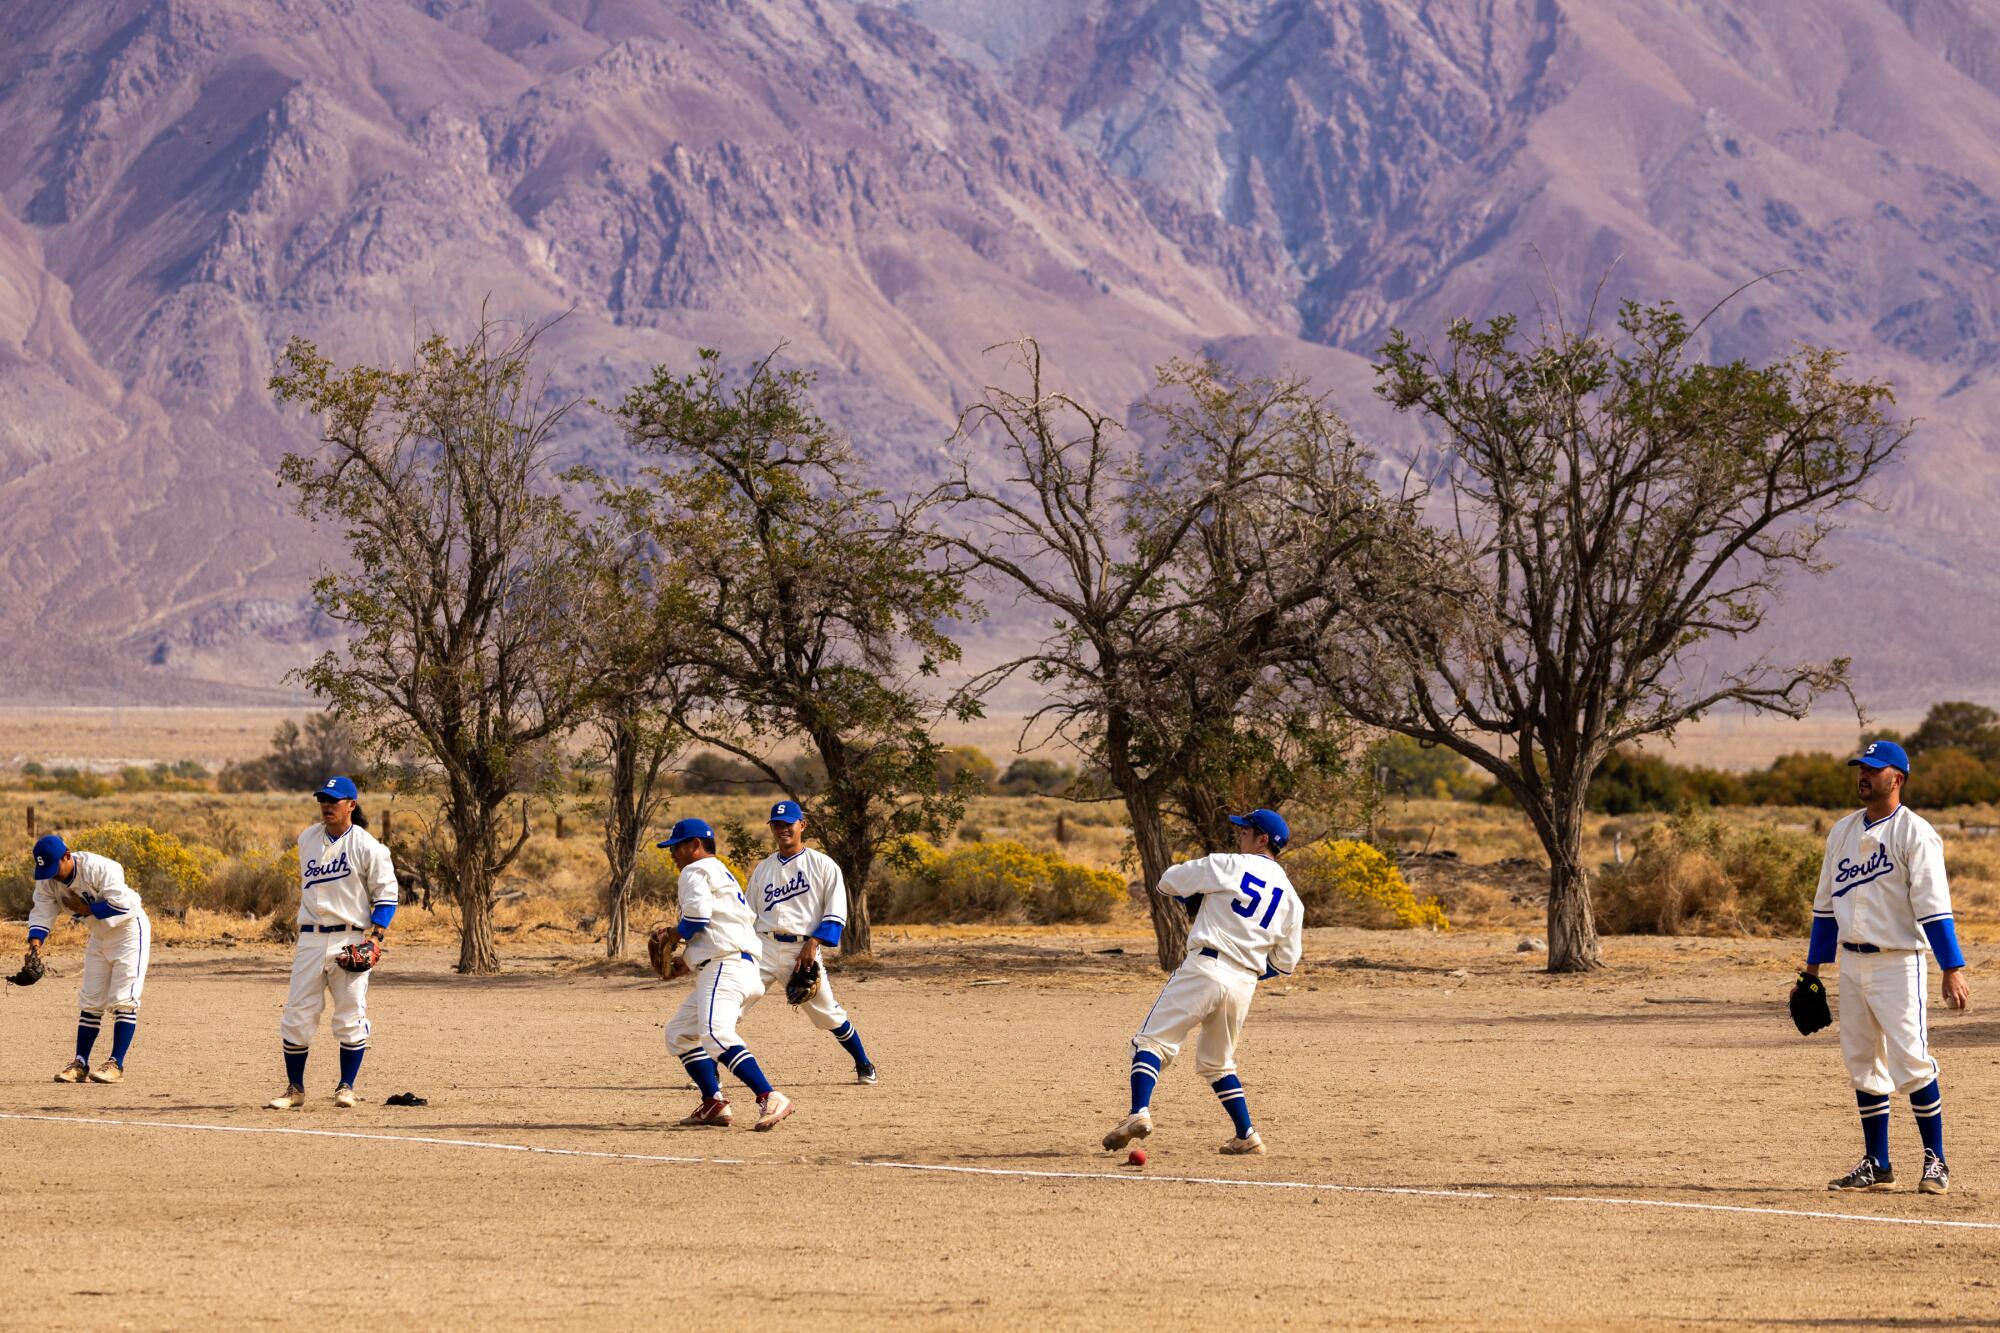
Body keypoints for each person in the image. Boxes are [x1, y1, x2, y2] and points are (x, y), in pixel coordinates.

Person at [1807, 741, 1969, 1195]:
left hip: (1900, 963)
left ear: (1896, 779)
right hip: (1853, 965)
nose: (1863, 775)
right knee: (1862, 1063)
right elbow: (1824, 907)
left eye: (1873, 770)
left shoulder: (1916, 833)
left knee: (1912, 1061)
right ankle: (1877, 1163)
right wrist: (1812, 971)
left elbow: (1935, 909)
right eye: (1861, 767)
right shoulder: (1841, 832)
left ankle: (1935, 1162)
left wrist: (1951, 967)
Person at [1102, 808, 1303, 1157]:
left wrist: (1193, 897)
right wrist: (1249, 969)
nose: (1239, 835)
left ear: (1263, 839)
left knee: (1151, 1042)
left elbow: (1167, 880)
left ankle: (1138, 1113)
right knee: (1217, 1063)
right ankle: (1247, 1135)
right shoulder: (1291, 898)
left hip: (1205, 967)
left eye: (1246, 831)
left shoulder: (1228, 864)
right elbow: (1285, 963)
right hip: (1244, 983)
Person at [266, 776, 399, 1111]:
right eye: (323, 799)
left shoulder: (369, 847)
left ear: (351, 805)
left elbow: (387, 897)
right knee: (297, 1013)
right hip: (310, 938)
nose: (327, 805)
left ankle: (346, 1087)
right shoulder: (307, 839)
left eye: (334, 800)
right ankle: (295, 1089)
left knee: (350, 1014)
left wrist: (375, 938)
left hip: (349, 937)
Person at [658, 817, 794, 1131]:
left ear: (695, 845)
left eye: (676, 847)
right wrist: (688, 960)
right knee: (679, 1032)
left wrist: (673, 935)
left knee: (715, 1035)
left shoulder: (694, 870)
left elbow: (697, 916)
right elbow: (719, 925)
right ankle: (714, 1103)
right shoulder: (721, 872)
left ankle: (769, 1096)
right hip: (737, 967)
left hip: (726, 967)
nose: (672, 854)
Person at [742, 800, 877, 1083]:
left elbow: (836, 911)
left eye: (788, 824)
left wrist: (814, 943)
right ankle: (711, 1072)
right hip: (763, 947)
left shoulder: (823, 865)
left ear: (802, 825)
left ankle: (864, 1063)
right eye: (776, 825)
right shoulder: (763, 869)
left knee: (827, 1014)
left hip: (802, 949)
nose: (782, 830)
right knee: (732, 1003)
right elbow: (748, 914)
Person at [28, 834, 151, 1084]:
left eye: (54, 868)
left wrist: (86, 910)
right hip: (98, 934)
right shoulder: (49, 880)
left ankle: (116, 1064)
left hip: (129, 931)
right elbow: (42, 911)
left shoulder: (100, 868)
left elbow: (124, 905)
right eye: (46, 870)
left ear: (67, 855)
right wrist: (35, 945)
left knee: (124, 998)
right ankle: (80, 1063)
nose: (52, 875)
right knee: (91, 999)